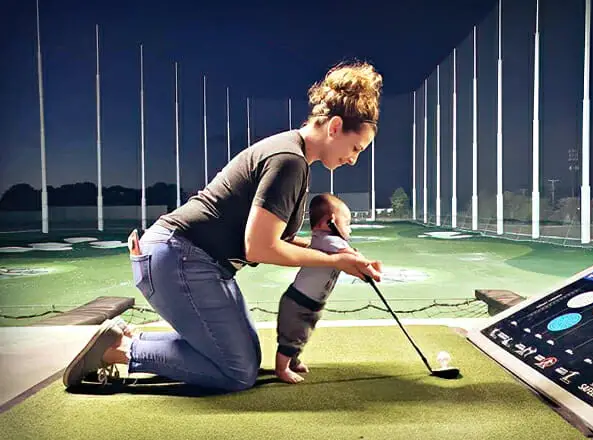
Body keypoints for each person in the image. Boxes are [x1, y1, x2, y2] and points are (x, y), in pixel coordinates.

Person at [63, 61, 384, 392]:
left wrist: (342, 255)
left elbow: (275, 239)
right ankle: (120, 350)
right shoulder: (289, 161)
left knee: (244, 358)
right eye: (355, 148)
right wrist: (334, 261)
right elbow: (260, 248)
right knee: (237, 372)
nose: (353, 159)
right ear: (335, 127)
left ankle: (123, 338)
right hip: (179, 258)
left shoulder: (293, 157)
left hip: (189, 259)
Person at [275, 193, 353, 384]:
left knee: (301, 336)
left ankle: (293, 361)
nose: (350, 229)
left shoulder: (323, 240)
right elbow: (350, 256)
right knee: (292, 337)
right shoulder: (329, 240)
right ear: (330, 222)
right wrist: (369, 267)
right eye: (347, 223)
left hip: (308, 301)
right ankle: (282, 369)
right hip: (300, 302)